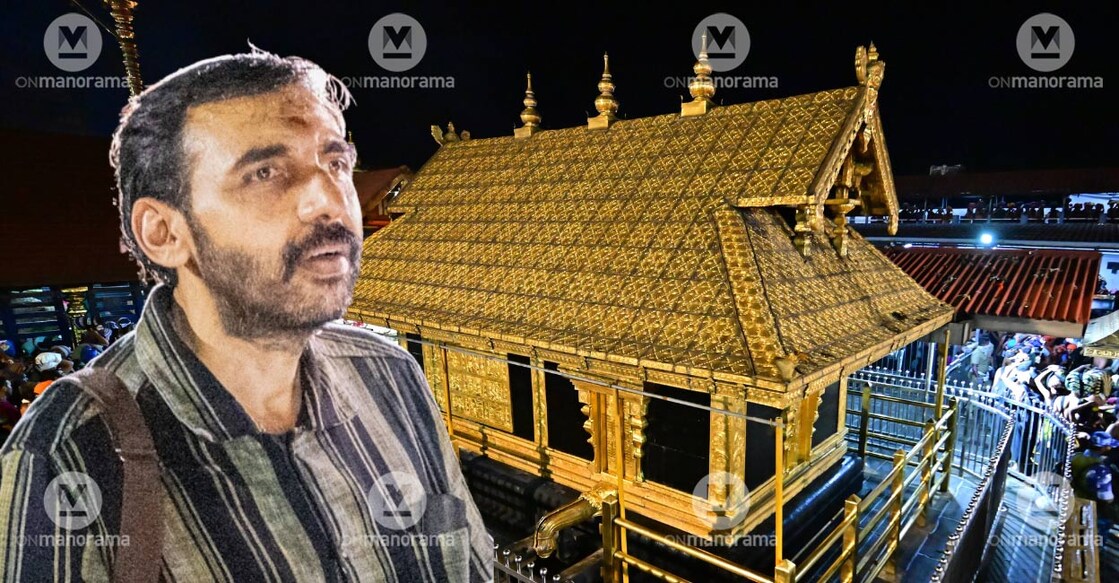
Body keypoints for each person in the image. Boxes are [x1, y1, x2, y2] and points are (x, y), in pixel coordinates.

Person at [0, 51, 492, 582]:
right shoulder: (66, 455)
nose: (328, 202)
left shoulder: (391, 377)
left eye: (336, 164)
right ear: (164, 233)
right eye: (265, 172)